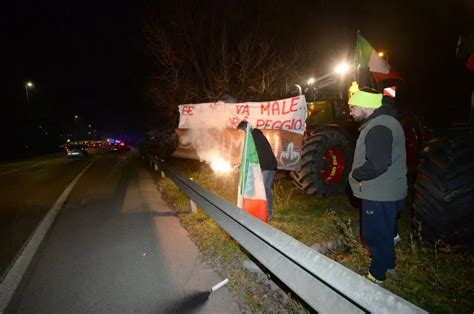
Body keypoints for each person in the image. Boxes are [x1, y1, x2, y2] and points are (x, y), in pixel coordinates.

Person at [347, 87, 407, 285]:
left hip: (380, 195)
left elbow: (378, 164)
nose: (351, 112)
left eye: (353, 107)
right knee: (386, 232)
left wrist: (356, 174)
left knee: (375, 236)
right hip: (390, 192)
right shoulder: (385, 122)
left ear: (366, 106)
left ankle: (376, 276)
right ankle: (389, 265)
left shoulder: (378, 127)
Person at [237, 120, 277, 220]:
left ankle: (269, 212)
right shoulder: (253, 136)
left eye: (242, 132)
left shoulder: (254, 136)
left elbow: (254, 155)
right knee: (261, 188)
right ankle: (260, 210)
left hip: (268, 166)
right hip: (265, 166)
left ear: (245, 129)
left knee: (265, 188)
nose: (242, 135)